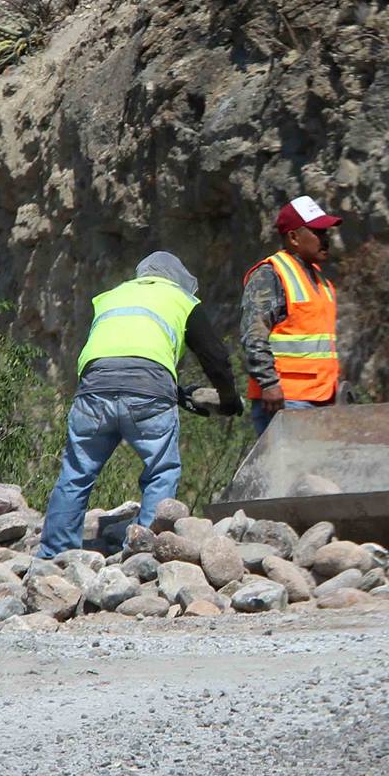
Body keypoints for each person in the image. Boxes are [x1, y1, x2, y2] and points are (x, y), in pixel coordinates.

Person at [38, 251, 239, 559]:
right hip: (149, 391)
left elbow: (119, 350)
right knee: (161, 471)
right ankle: (144, 553)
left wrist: (175, 391)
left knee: (75, 474)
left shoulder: (110, 297)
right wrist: (228, 399)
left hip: (94, 388)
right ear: (178, 279)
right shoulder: (182, 300)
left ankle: (54, 556)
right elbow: (215, 357)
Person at [240, 195, 344, 438]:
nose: (326, 240)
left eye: (326, 232)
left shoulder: (322, 281)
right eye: (318, 232)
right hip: (284, 400)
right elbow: (253, 336)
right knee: (289, 475)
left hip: (321, 397)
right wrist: (269, 384)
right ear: (294, 237)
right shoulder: (270, 275)